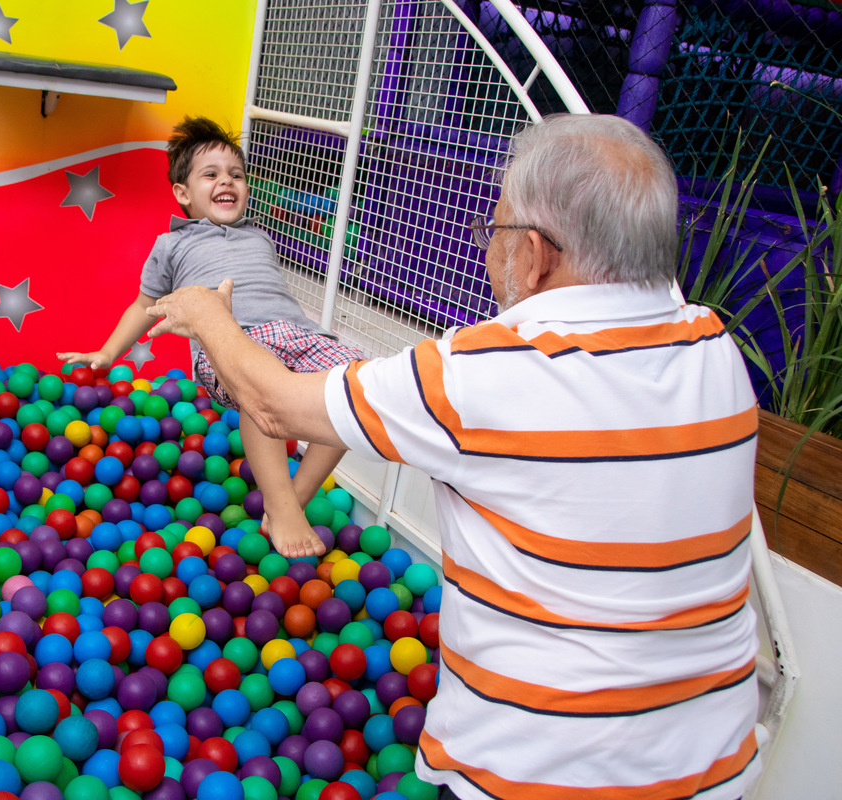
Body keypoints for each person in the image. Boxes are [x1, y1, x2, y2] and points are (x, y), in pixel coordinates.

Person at [145, 113, 761, 800]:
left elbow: (273, 406)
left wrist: (207, 318)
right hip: (714, 771)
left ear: (533, 254)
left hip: (534, 777)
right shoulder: (717, 351)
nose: (487, 251)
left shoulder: (485, 373)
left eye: (492, 233)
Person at [58, 116, 364, 559]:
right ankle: (281, 505)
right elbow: (144, 305)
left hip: (299, 332)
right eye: (212, 174)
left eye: (236, 175)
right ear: (183, 193)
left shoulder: (261, 235)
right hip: (232, 342)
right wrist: (108, 352)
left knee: (355, 387)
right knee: (261, 385)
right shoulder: (172, 245)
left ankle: (293, 498)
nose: (227, 181)